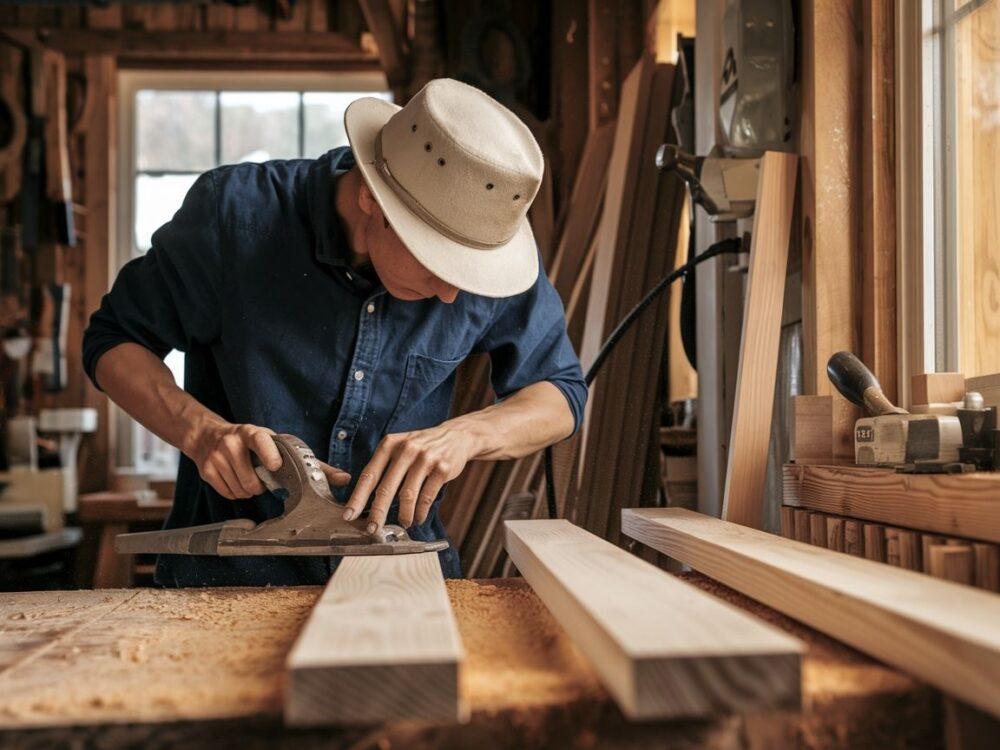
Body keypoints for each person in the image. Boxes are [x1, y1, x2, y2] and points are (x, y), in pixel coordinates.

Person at [82, 78, 587, 586]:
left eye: (467, 272)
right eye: (436, 261)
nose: (454, 294)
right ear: (371, 197)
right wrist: (201, 432)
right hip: (228, 580)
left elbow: (560, 394)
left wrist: (467, 435)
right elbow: (114, 340)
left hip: (401, 584)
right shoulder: (235, 216)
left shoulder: (480, 248)